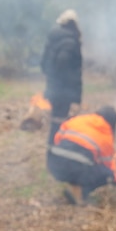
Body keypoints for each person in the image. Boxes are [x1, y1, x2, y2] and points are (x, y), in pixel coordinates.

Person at [47, 106, 116, 205]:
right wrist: (115, 179)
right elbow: (106, 163)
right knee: (106, 173)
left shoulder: (78, 119)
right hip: (76, 168)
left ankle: (74, 188)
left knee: (79, 162)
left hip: (54, 161)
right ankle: (79, 194)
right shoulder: (107, 135)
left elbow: (57, 138)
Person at [40, 9, 83, 144]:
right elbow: (63, 62)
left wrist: (52, 79)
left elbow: (43, 64)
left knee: (56, 119)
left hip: (53, 86)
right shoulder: (70, 41)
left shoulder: (53, 39)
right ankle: (57, 151)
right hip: (64, 89)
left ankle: (53, 150)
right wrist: (66, 84)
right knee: (61, 121)